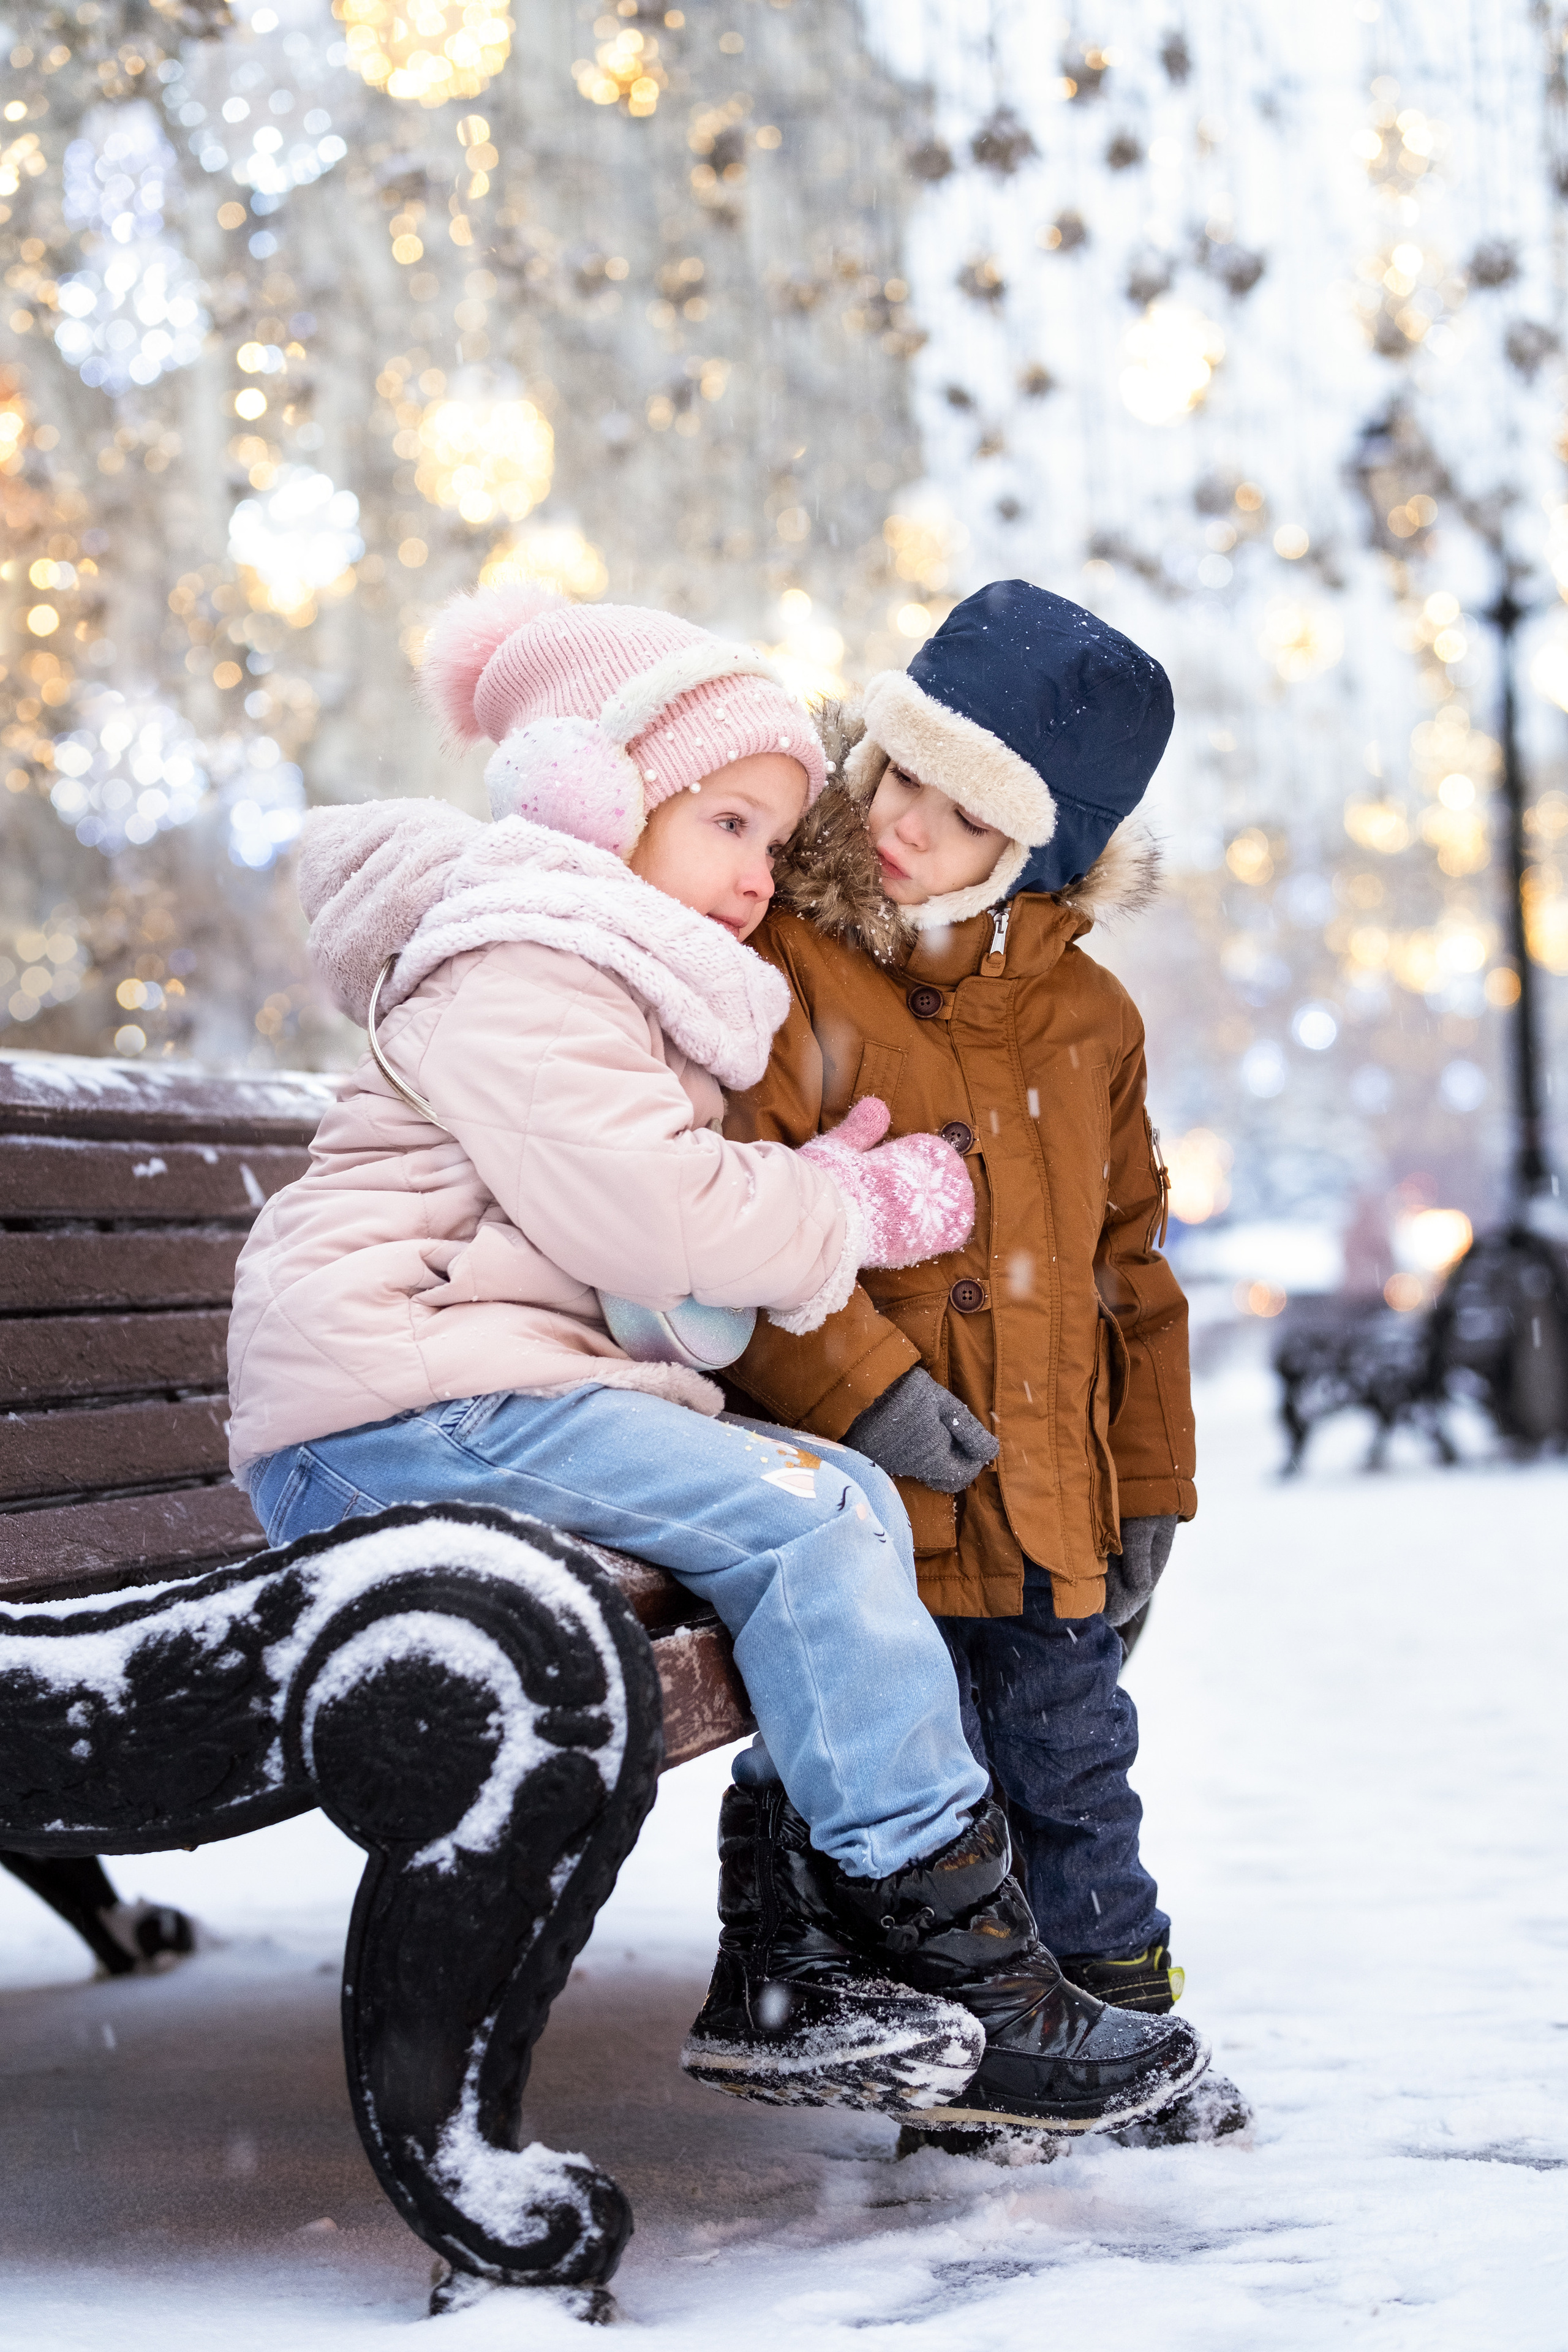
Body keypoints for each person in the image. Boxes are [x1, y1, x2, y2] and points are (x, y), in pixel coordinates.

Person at [225, 581, 1208, 2140]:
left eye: (772, 834)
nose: (764, 872)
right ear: (596, 803)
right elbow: (650, 1208)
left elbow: (645, 1261)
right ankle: (950, 1974)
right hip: (397, 1397)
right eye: (727, 827)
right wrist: (844, 1205)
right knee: (814, 1515)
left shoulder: (630, 974)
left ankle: (847, 1968)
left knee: (825, 1512)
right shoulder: (527, 960)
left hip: (455, 1389)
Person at [715, 578, 1249, 2147]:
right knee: (892, 1788)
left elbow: (1125, 1273)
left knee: (1073, 1775)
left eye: (965, 810)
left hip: (1051, 1506)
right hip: (872, 1502)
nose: (906, 822)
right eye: (899, 774)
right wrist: (869, 1391)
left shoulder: (1088, 1019)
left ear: (1037, 850)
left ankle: (1121, 2027)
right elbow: (752, 1214)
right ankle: (942, 2042)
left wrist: (1147, 1488)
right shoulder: (804, 973)